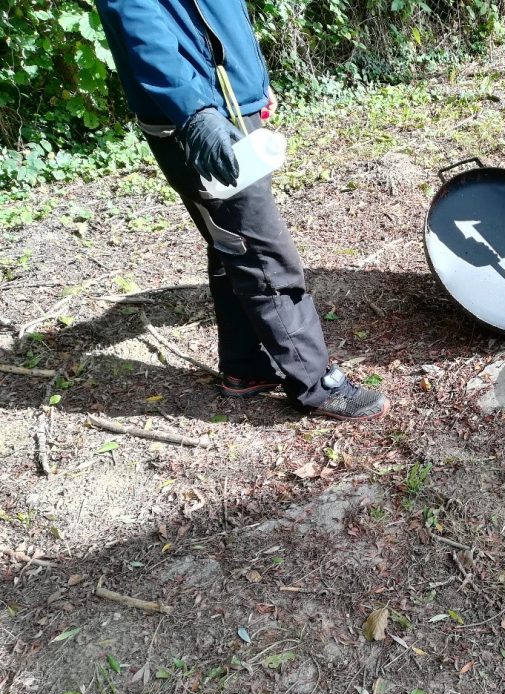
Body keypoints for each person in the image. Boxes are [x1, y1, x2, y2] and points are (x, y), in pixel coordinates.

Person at [94, 0, 390, 420]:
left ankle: (245, 367)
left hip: (230, 106)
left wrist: (254, 82)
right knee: (262, 251)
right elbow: (140, 26)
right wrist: (194, 112)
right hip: (194, 120)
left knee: (230, 242)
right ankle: (315, 384)